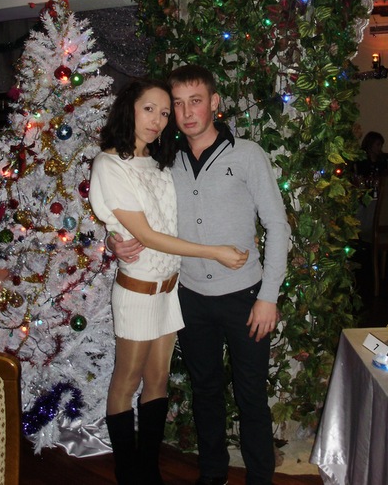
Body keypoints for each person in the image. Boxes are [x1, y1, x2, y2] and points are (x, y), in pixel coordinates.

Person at [108, 65, 291, 485]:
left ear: (214, 102)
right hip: (188, 296)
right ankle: (213, 475)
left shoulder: (247, 155)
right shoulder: (163, 161)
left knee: (251, 396)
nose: (187, 112)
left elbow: (277, 226)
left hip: (246, 297)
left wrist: (269, 296)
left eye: (196, 101)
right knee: (205, 391)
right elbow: (137, 216)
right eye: (178, 104)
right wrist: (114, 241)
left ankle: (259, 478)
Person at [88, 78, 248, 485]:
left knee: (157, 382)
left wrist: (110, 240)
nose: (158, 120)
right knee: (126, 382)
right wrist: (214, 251)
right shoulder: (109, 164)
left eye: (164, 113)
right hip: (138, 292)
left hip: (169, 290)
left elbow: (171, 219)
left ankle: (149, 469)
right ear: (129, 108)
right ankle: (128, 473)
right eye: (149, 109)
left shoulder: (160, 162)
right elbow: (148, 235)